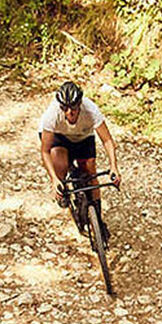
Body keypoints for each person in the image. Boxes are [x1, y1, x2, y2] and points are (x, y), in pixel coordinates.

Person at [37, 79, 120, 219]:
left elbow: (107, 140)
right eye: (65, 108)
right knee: (60, 164)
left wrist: (114, 167)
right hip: (59, 137)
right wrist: (55, 179)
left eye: (74, 107)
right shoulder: (52, 115)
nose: (69, 112)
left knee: (90, 170)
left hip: (83, 137)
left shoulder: (91, 110)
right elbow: (45, 151)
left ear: (80, 104)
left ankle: (98, 219)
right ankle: (64, 188)